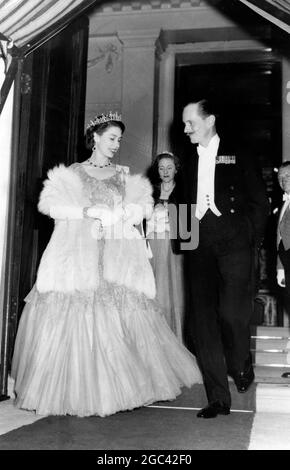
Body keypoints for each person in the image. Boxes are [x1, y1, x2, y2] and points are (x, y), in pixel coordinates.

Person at [11, 111, 202, 417]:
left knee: (115, 312)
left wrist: (123, 215)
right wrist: (86, 212)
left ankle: (119, 387)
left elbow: (143, 204)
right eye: (112, 138)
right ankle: (74, 389)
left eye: (119, 140)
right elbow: (50, 204)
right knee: (77, 308)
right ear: (96, 137)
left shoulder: (122, 175)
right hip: (78, 252)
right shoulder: (72, 172)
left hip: (115, 253)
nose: (116, 145)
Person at [181, 99, 269, 418]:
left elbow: (260, 201)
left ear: (210, 121)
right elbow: (181, 200)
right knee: (202, 323)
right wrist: (184, 240)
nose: (186, 128)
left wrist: (250, 240)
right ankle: (218, 397)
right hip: (199, 245)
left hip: (234, 243)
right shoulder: (188, 160)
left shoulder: (238, 153)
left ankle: (241, 363)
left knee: (232, 315)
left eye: (190, 122)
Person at [146, 152, 185, 342]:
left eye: (169, 167)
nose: (165, 171)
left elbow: (189, 226)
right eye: (161, 168)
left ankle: (174, 336)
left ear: (176, 169)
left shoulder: (184, 191)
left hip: (174, 246)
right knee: (155, 288)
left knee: (174, 289)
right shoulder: (150, 192)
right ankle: (154, 336)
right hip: (153, 244)